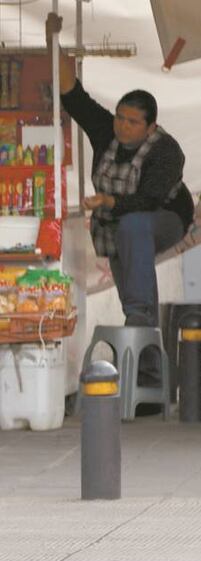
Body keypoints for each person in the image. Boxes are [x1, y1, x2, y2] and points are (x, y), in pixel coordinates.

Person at [48, 14, 192, 389]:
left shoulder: (166, 152)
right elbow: (73, 96)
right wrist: (54, 40)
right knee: (128, 261)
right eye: (120, 118)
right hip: (116, 222)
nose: (122, 126)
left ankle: (139, 319)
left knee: (134, 226)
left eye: (132, 122)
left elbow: (148, 200)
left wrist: (109, 200)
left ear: (151, 128)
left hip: (166, 217)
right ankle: (146, 366)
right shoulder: (104, 130)